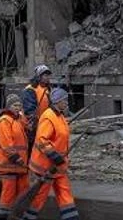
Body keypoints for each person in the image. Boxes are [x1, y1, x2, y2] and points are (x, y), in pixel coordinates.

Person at [24, 87, 79, 220]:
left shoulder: (60, 116)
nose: (66, 103)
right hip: (45, 167)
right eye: (64, 100)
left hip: (58, 166)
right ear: (57, 101)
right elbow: (42, 140)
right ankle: (28, 217)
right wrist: (54, 156)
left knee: (65, 194)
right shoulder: (48, 117)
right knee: (39, 197)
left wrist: (60, 159)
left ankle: (71, 218)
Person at [0, 93, 29, 220]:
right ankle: (3, 215)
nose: (18, 108)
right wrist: (16, 157)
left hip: (19, 164)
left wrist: (23, 117)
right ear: (8, 107)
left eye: (19, 105)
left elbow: (26, 128)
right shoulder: (5, 120)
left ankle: (15, 214)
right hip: (9, 163)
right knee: (8, 192)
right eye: (15, 105)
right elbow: (6, 143)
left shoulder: (17, 119)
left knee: (21, 190)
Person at [22, 64, 52, 146]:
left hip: (43, 122)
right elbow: (29, 110)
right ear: (39, 76)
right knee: (32, 146)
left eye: (48, 75)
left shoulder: (47, 89)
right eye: (45, 75)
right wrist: (36, 123)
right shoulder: (30, 89)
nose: (48, 77)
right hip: (32, 125)